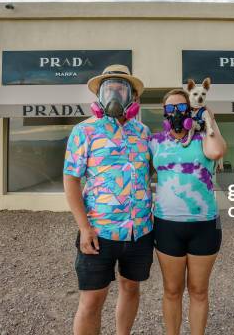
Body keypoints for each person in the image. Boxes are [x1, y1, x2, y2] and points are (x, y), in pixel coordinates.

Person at [63, 64, 153, 335]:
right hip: (98, 232)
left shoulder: (144, 133)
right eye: (108, 88)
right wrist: (83, 227)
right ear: (100, 95)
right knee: (91, 299)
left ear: (133, 98)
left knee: (131, 287)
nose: (114, 93)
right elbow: (71, 180)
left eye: (121, 88)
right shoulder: (84, 131)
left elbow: (151, 172)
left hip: (140, 232)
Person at [148, 88, 227, 335]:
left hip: (204, 225)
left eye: (181, 107)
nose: (175, 113)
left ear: (190, 110)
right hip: (167, 225)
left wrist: (208, 118)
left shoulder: (204, 138)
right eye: (169, 109)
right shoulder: (154, 142)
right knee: (172, 291)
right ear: (163, 113)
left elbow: (216, 152)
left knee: (199, 291)